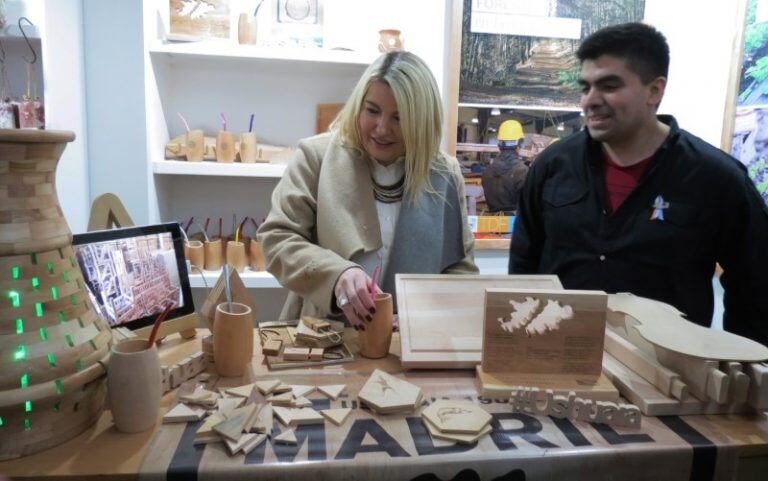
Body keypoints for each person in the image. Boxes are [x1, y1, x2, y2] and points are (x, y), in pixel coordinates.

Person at [509, 22, 768, 345]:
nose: (590, 100)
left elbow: (756, 288)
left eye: (609, 85)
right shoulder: (553, 166)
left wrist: (743, 374)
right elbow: (523, 266)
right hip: (557, 360)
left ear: (655, 90)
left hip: (669, 377)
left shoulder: (716, 178)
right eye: (585, 87)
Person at [258, 51, 478, 330]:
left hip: (408, 346)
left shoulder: (445, 174)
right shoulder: (316, 157)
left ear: (421, 121)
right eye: (372, 110)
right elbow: (276, 239)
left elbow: (461, 271)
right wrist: (336, 276)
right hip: (323, 338)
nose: (382, 128)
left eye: (399, 118)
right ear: (358, 105)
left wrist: (421, 315)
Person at [481, 119, 530, 214]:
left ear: (499, 145)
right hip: (515, 225)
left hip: (492, 225)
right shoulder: (523, 171)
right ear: (519, 144)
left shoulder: (488, 171)